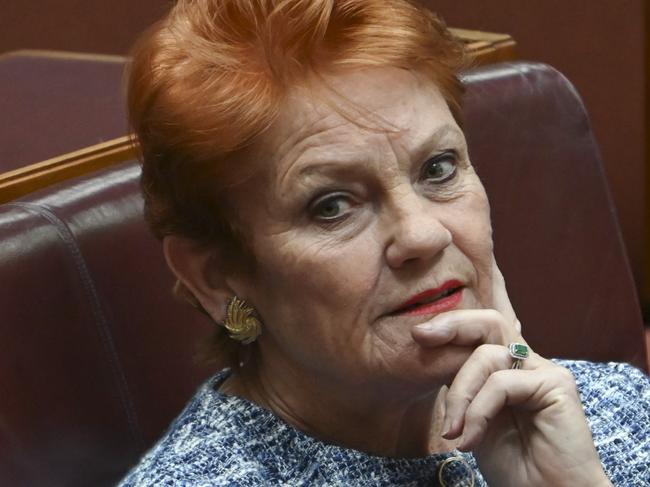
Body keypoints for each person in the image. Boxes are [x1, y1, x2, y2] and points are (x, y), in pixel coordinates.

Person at [119, 0, 650, 485]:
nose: (423, 234)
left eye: (438, 168)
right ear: (217, 277)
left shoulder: (606, 407)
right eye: (332, 205)